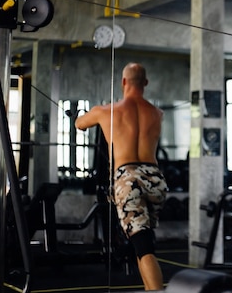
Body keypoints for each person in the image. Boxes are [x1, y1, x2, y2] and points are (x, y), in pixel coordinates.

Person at [76, 62, 168, 291]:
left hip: (128, 178)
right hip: (155, 178)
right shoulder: (157, 113)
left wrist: (81, 117)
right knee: (142, 242)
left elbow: (80, 124)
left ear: (123, 82)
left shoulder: (105, 111)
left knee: (144, 246)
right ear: (145, 83)